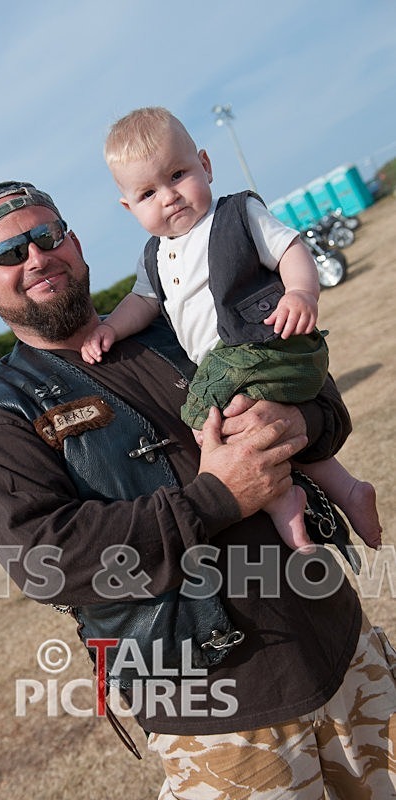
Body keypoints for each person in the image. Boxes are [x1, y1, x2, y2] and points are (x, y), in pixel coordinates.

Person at [0, 180, 396, 799]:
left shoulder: (178, 318)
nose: (35, 258)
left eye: (46, 236)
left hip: (344, 648)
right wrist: (217, 496)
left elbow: (317, 392)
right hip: (218, 721)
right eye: (6, 254)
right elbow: (47, 559)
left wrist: (301, 422)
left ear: (75, 244)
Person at [82, 106, 382, 555]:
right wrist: (110, 328)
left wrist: (302, 294)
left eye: (178, 174)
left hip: (267, 343)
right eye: (148, 193)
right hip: (239, 367)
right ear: (129, 207)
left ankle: (283, 503)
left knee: (205, 420)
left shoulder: (237, 214)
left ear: (205, 164)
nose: (169, 196)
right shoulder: (154, 257)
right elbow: (141, 303)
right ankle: (346, 489)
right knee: (249, 429)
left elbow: (290, 247)